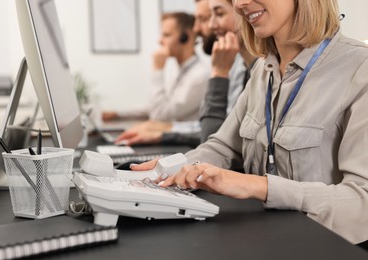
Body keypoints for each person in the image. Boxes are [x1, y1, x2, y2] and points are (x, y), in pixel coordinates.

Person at [133, 0, 368, 246]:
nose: (240, 3)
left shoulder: (359, 68)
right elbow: (222, 147)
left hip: (324, 248)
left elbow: (362, 201)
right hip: (266, 240)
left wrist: (258, 186)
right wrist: (171, 168)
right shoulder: (262, 70)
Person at [114, 0, 256, 148]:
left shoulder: (205, 73)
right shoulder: (236, 67)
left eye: (218, 14)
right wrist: (119, 115)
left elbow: (212, 135)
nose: (206, 27)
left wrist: (163, 133)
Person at [102, 12, 209, 122]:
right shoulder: (177, 69)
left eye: (166, 35)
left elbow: (160, 115)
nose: (160, 41)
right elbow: (155, 106)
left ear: (185, 37)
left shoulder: (199, 76)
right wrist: (117, 114)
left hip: (181, 138)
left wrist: (158, 70)